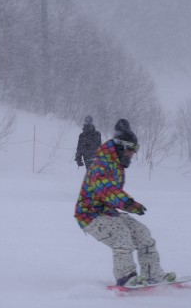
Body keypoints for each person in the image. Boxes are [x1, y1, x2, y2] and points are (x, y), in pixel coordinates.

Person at [74, 119, 175, 287]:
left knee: (143, 234)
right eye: (131, 151)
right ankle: (125, 277)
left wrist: (127, 205)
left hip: (109, 214)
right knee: (122, 237)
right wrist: (128, 203)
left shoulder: (117, 165)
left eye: (134, 151)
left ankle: (152, 274)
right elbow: (105, 189)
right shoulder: (101, 164)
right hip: (90, 215)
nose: (132, 155)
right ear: (121, 147)